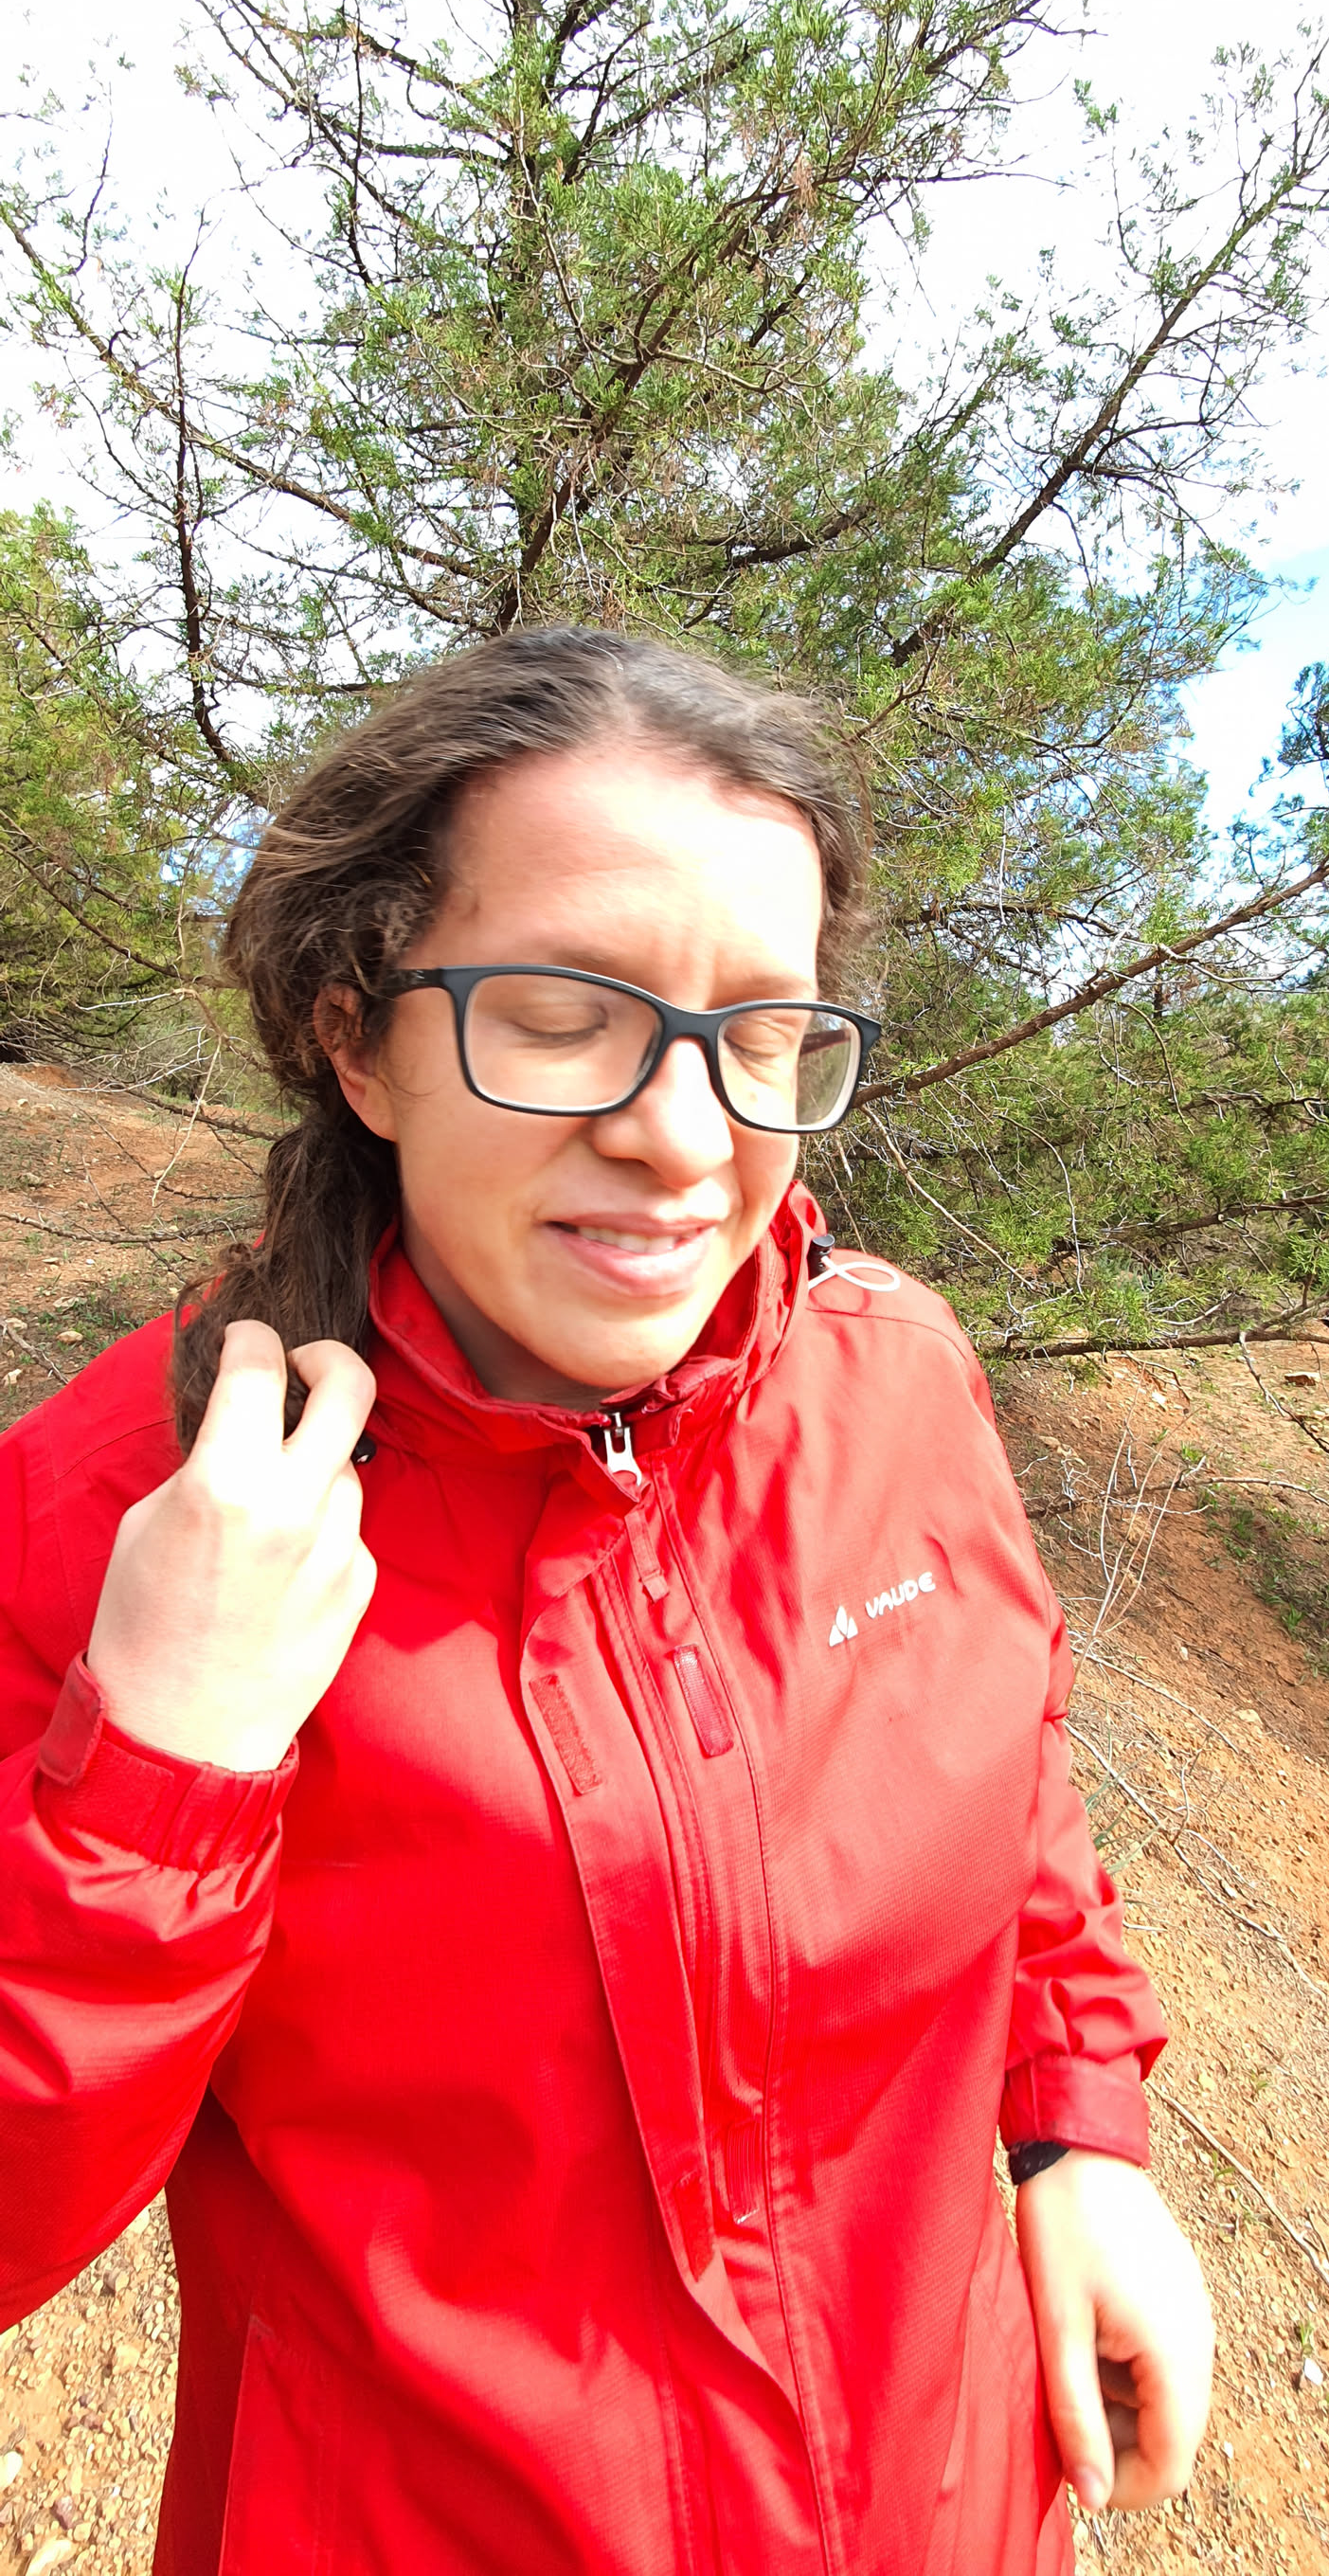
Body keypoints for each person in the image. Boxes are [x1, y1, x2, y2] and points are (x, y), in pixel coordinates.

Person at [0, 627, 1212, 2576]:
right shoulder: (134, 1512)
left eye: (764, 1034)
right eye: (565, 1016)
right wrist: (158, 1770)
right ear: (357, 1039)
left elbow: (1014, 1758)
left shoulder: (891, 1376)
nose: (685, 1134)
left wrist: (1076, 2131)